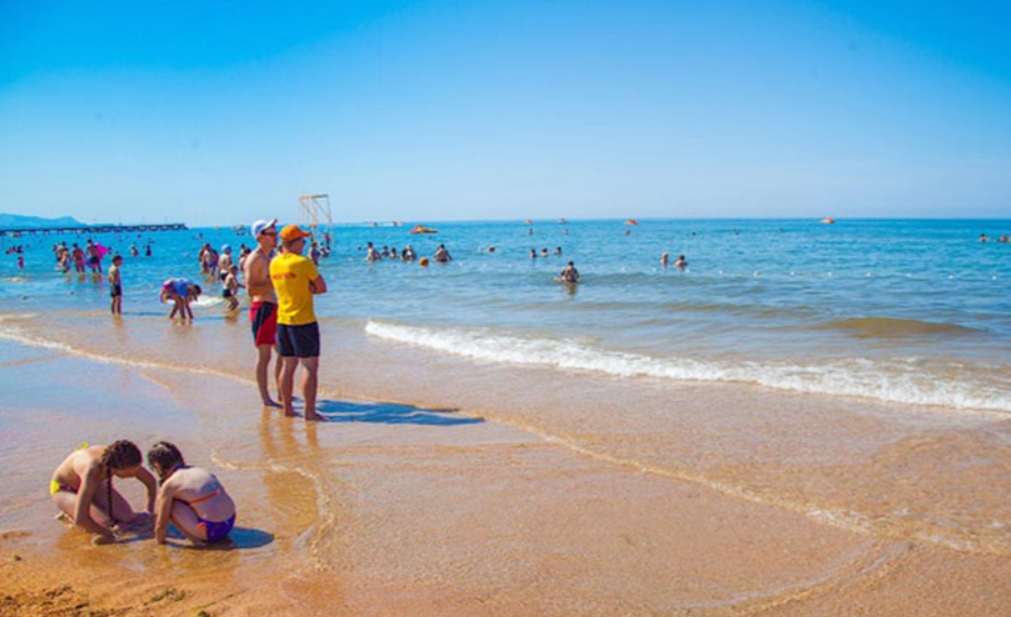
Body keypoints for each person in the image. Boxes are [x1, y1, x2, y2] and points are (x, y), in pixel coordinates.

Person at [270, 225, 328, 420]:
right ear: (294, 243)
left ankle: (287, 408)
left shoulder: (274, 263)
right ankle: (309, 411)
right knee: (310, 367)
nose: (304, 244)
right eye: (302, 240)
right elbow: (321, 288)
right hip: (303, 319)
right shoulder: (303, 263)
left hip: (283, 318)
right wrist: (309, 288)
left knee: (288, 365)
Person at [50, 441, 157, 543]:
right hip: (65, 488)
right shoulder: (93, 471)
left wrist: (149, 511)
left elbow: (151, 482)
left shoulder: (123, 458)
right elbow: (81, 519)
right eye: (132, 472)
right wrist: (110, 534)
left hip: (92, 485)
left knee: (127, 518)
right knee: (106, 524)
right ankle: (68, 513)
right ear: (115, 468)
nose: (135, 473)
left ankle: (84, 505)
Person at [147, 442, 236, 545]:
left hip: (213, 531)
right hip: (230, 522)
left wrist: (159, 545)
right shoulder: (199, 470)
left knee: (166, 501)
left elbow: (161, 525)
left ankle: (195, 540)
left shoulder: (170, 484)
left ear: (157, 466)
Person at [244, 218, 283, 408]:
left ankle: (282, 391)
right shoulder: (255, 258)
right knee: (264, 356)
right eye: (272, 233)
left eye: (276, 232)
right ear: (260, 237)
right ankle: (265, 398)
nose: (276, 236)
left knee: (283, 352)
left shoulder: (270, 256)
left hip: (274, 307)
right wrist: (276, 281)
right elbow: (250, 290)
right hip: (262, 309)